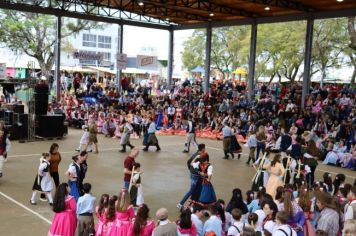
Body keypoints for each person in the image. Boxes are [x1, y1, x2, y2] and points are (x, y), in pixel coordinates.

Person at [177, 143, 205, 209]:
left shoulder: (195, 154)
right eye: (204, 148)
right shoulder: (200, 156)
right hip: (197, 176)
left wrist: (191, 169)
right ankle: (181, 203)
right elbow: (201, 167)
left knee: (196, 190)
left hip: (193, 175)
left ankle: (194, 203)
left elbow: (188, 161)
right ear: (203, 149)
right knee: (192, 190)